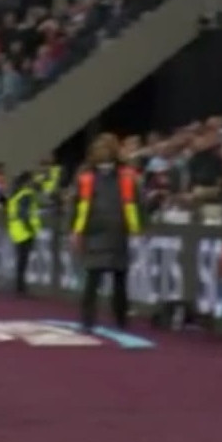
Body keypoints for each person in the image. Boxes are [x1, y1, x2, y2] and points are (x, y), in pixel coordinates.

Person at [71, 133, 141, 333]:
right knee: (93, 281)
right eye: (99, 149)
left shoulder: (128, 175)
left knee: (119, 281)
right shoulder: (86, 176)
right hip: (94, 232)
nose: (102, 152)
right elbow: (76, 205)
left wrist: (138, 229)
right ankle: (88, 321)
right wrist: (75, 231)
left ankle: (120, 320)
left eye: (106, 148)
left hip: (119, 232)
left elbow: (137, 202)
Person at [5, 171, 40, 296]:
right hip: (25, 231)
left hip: (16, 230)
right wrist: (31, 229)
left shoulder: (15, 194)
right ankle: (21, 287)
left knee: (21, 260)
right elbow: (24, 213)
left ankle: (19, 286)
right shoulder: (26, 194)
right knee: (23, 260)